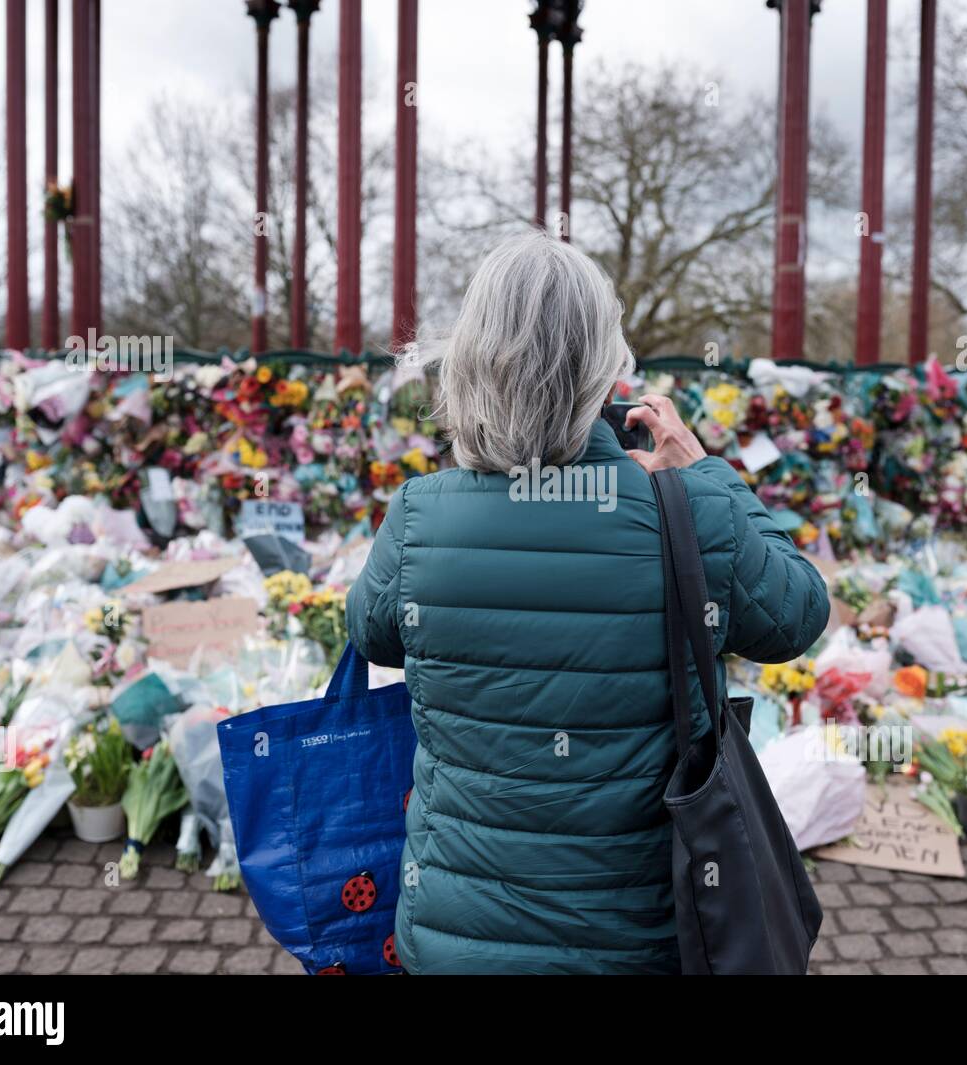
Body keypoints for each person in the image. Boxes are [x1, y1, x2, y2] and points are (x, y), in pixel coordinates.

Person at [345, 231, 830, 974]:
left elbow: (370, 633)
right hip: (643, 941)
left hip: (454, 942)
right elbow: (797, 614)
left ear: (472, 363)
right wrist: (706, 473)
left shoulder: (418, 517)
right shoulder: (689, 511)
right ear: (608, 374)